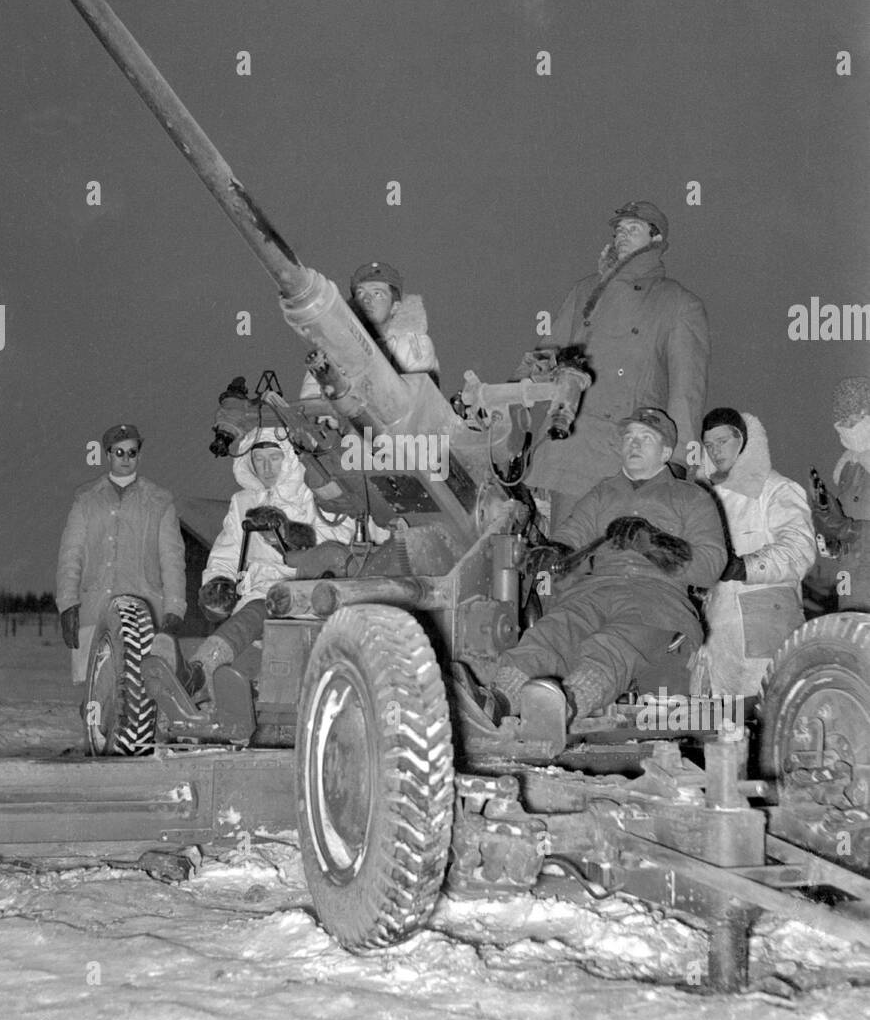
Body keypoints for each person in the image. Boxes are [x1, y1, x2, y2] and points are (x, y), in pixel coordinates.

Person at [456, 408, 727, 746]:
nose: (634, 444)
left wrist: (654, 543)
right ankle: (495, 703)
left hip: (659, 600)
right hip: (594, 592)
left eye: (645, 438)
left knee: (614, 644)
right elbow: (572, 536)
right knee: (551, 633)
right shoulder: (603, 493)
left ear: (667, 452)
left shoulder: (692, 497)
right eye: (629, 437)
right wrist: (553, 553)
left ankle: (565, 708)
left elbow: (712, 564)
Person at [515, 201, 710, 531]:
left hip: (630, 451)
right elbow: (549, 353)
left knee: (620, 562)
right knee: (567, 558)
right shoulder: (584, 291)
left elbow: (686, 392)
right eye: (619, 229)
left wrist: (676, 463)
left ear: (656, 238)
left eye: (633, 229)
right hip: (573, 447)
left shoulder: (678, 303)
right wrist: (512, 390)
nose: (622, 235)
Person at [185, 427, 360, 697]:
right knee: (252, 634)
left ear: (289, 457)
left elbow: (336, 543)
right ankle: (203, 687)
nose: (266, 468)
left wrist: (288, 533)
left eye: (274, 457)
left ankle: (200, 670)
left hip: (306, 591)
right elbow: (228, 550)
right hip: (257, 592)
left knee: (260, 615)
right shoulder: (242, 501)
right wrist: (218, 582)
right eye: (259, 459)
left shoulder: (316, 496)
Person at [691, 408, 815, 699]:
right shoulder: (706, 497)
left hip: (766, 629)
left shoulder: (776, 489)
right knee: (719, 730)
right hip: (718, 632)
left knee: (767, 723)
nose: (715, 450)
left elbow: (800, 549)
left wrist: (744, 567)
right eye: (709, 445)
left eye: (722, 441)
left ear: (743, 440)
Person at [56, 423, 186, 683]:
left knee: (141, 688)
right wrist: (68, 605)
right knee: (97, 687)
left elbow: (172, 559)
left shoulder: (159, 501)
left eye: (132, 452)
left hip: (144, 610)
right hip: (95, 607)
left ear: (140, 455)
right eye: (119, 452)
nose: (126, 459)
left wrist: (174, 608)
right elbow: (71, 556)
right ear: (108, 455)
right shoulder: (86, 500)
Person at [301, 260, 439, 399]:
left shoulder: (412, 346)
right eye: (360, 293)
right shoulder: (333, 348)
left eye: (377, 293)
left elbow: (422, 401)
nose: (366, 300)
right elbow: (310, 401)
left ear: (394, 307)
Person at [809, 377, 870, 611]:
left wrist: (850, 530)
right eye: (844, 418)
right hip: (853, 591)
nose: (849, 425)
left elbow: (854, 531)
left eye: (857, 416)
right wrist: (831, 536)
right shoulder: (848, 467)